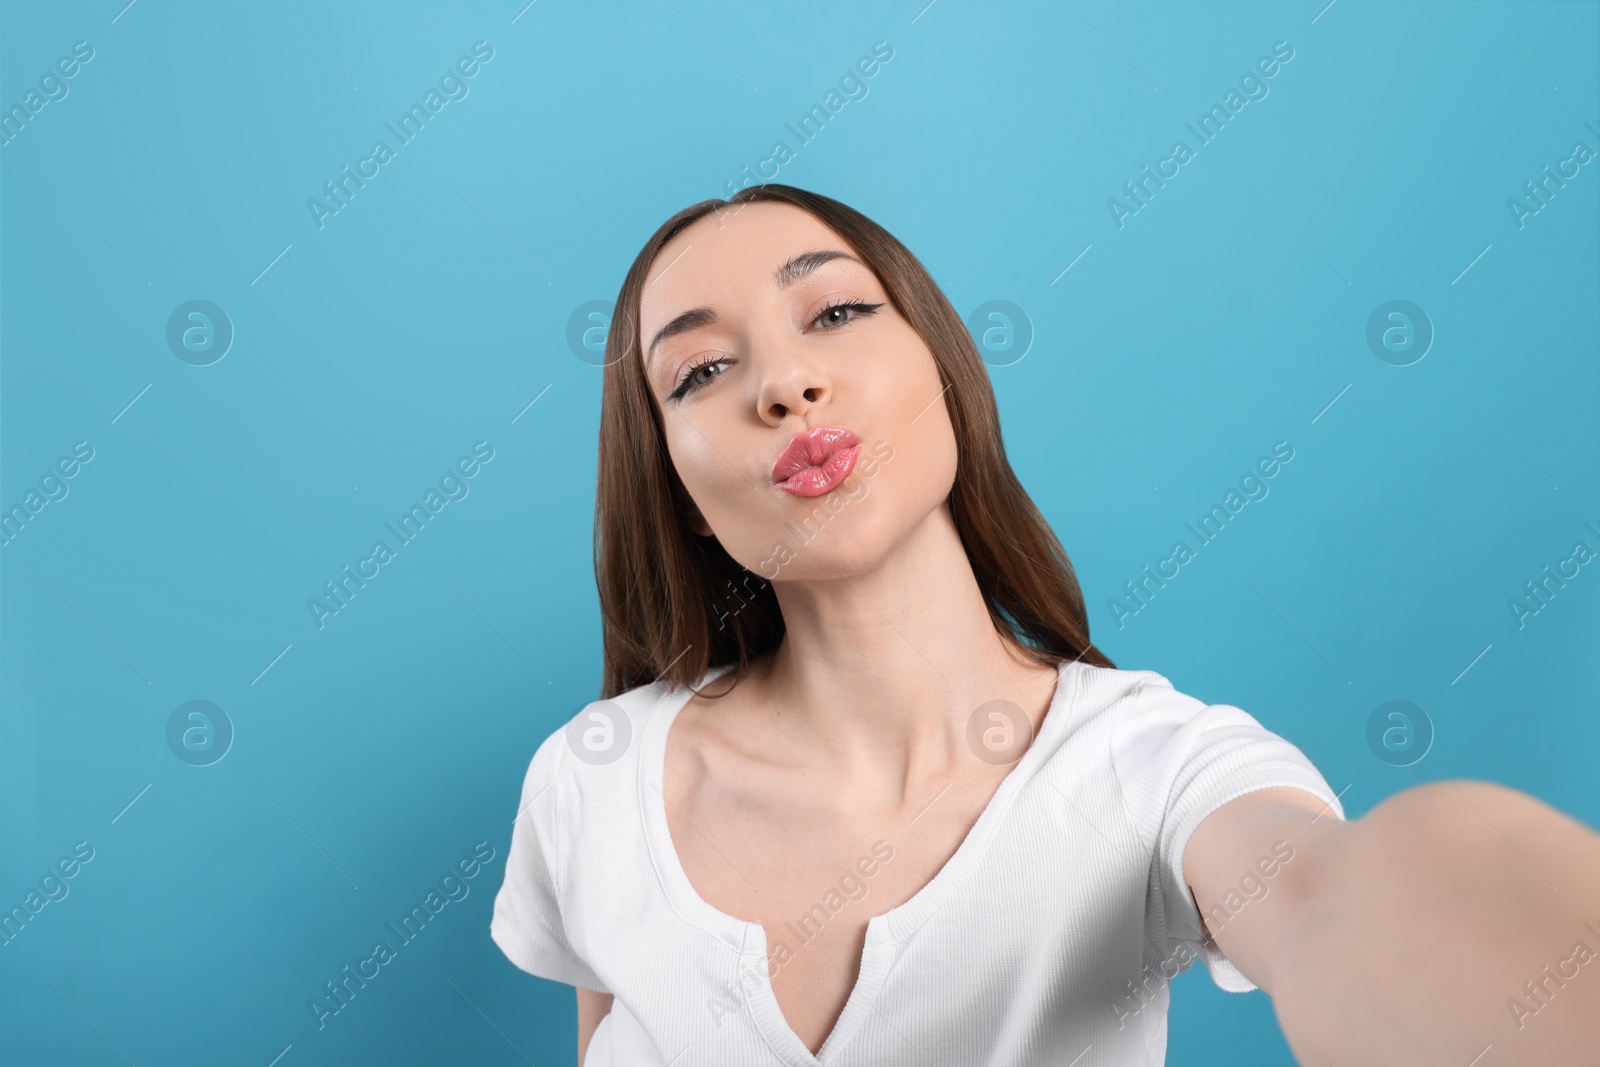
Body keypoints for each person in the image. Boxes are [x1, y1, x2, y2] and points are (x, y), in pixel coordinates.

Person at [491, 184, 1600, 1066]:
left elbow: (1319, 897)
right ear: (677, 485)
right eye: (698, 370)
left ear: (943, 370)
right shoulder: (591, 778)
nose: (783, 382)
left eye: (833, 312)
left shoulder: (1156, 766)